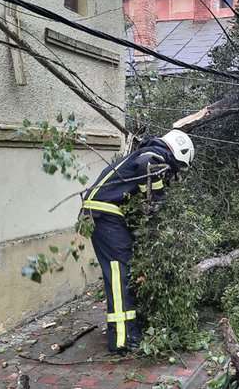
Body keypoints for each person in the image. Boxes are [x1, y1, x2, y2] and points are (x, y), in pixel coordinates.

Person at [81, 130, 195, 353]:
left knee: (126, 271)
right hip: (104, 213)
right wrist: (157, 201)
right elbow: (147, 165)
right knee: (119, 274)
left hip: (107, 213)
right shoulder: (155, 154)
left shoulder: (150, 151)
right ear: (179, 153)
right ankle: (122, 339)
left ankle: (129, 328)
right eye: (178, 167)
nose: (174, 172)